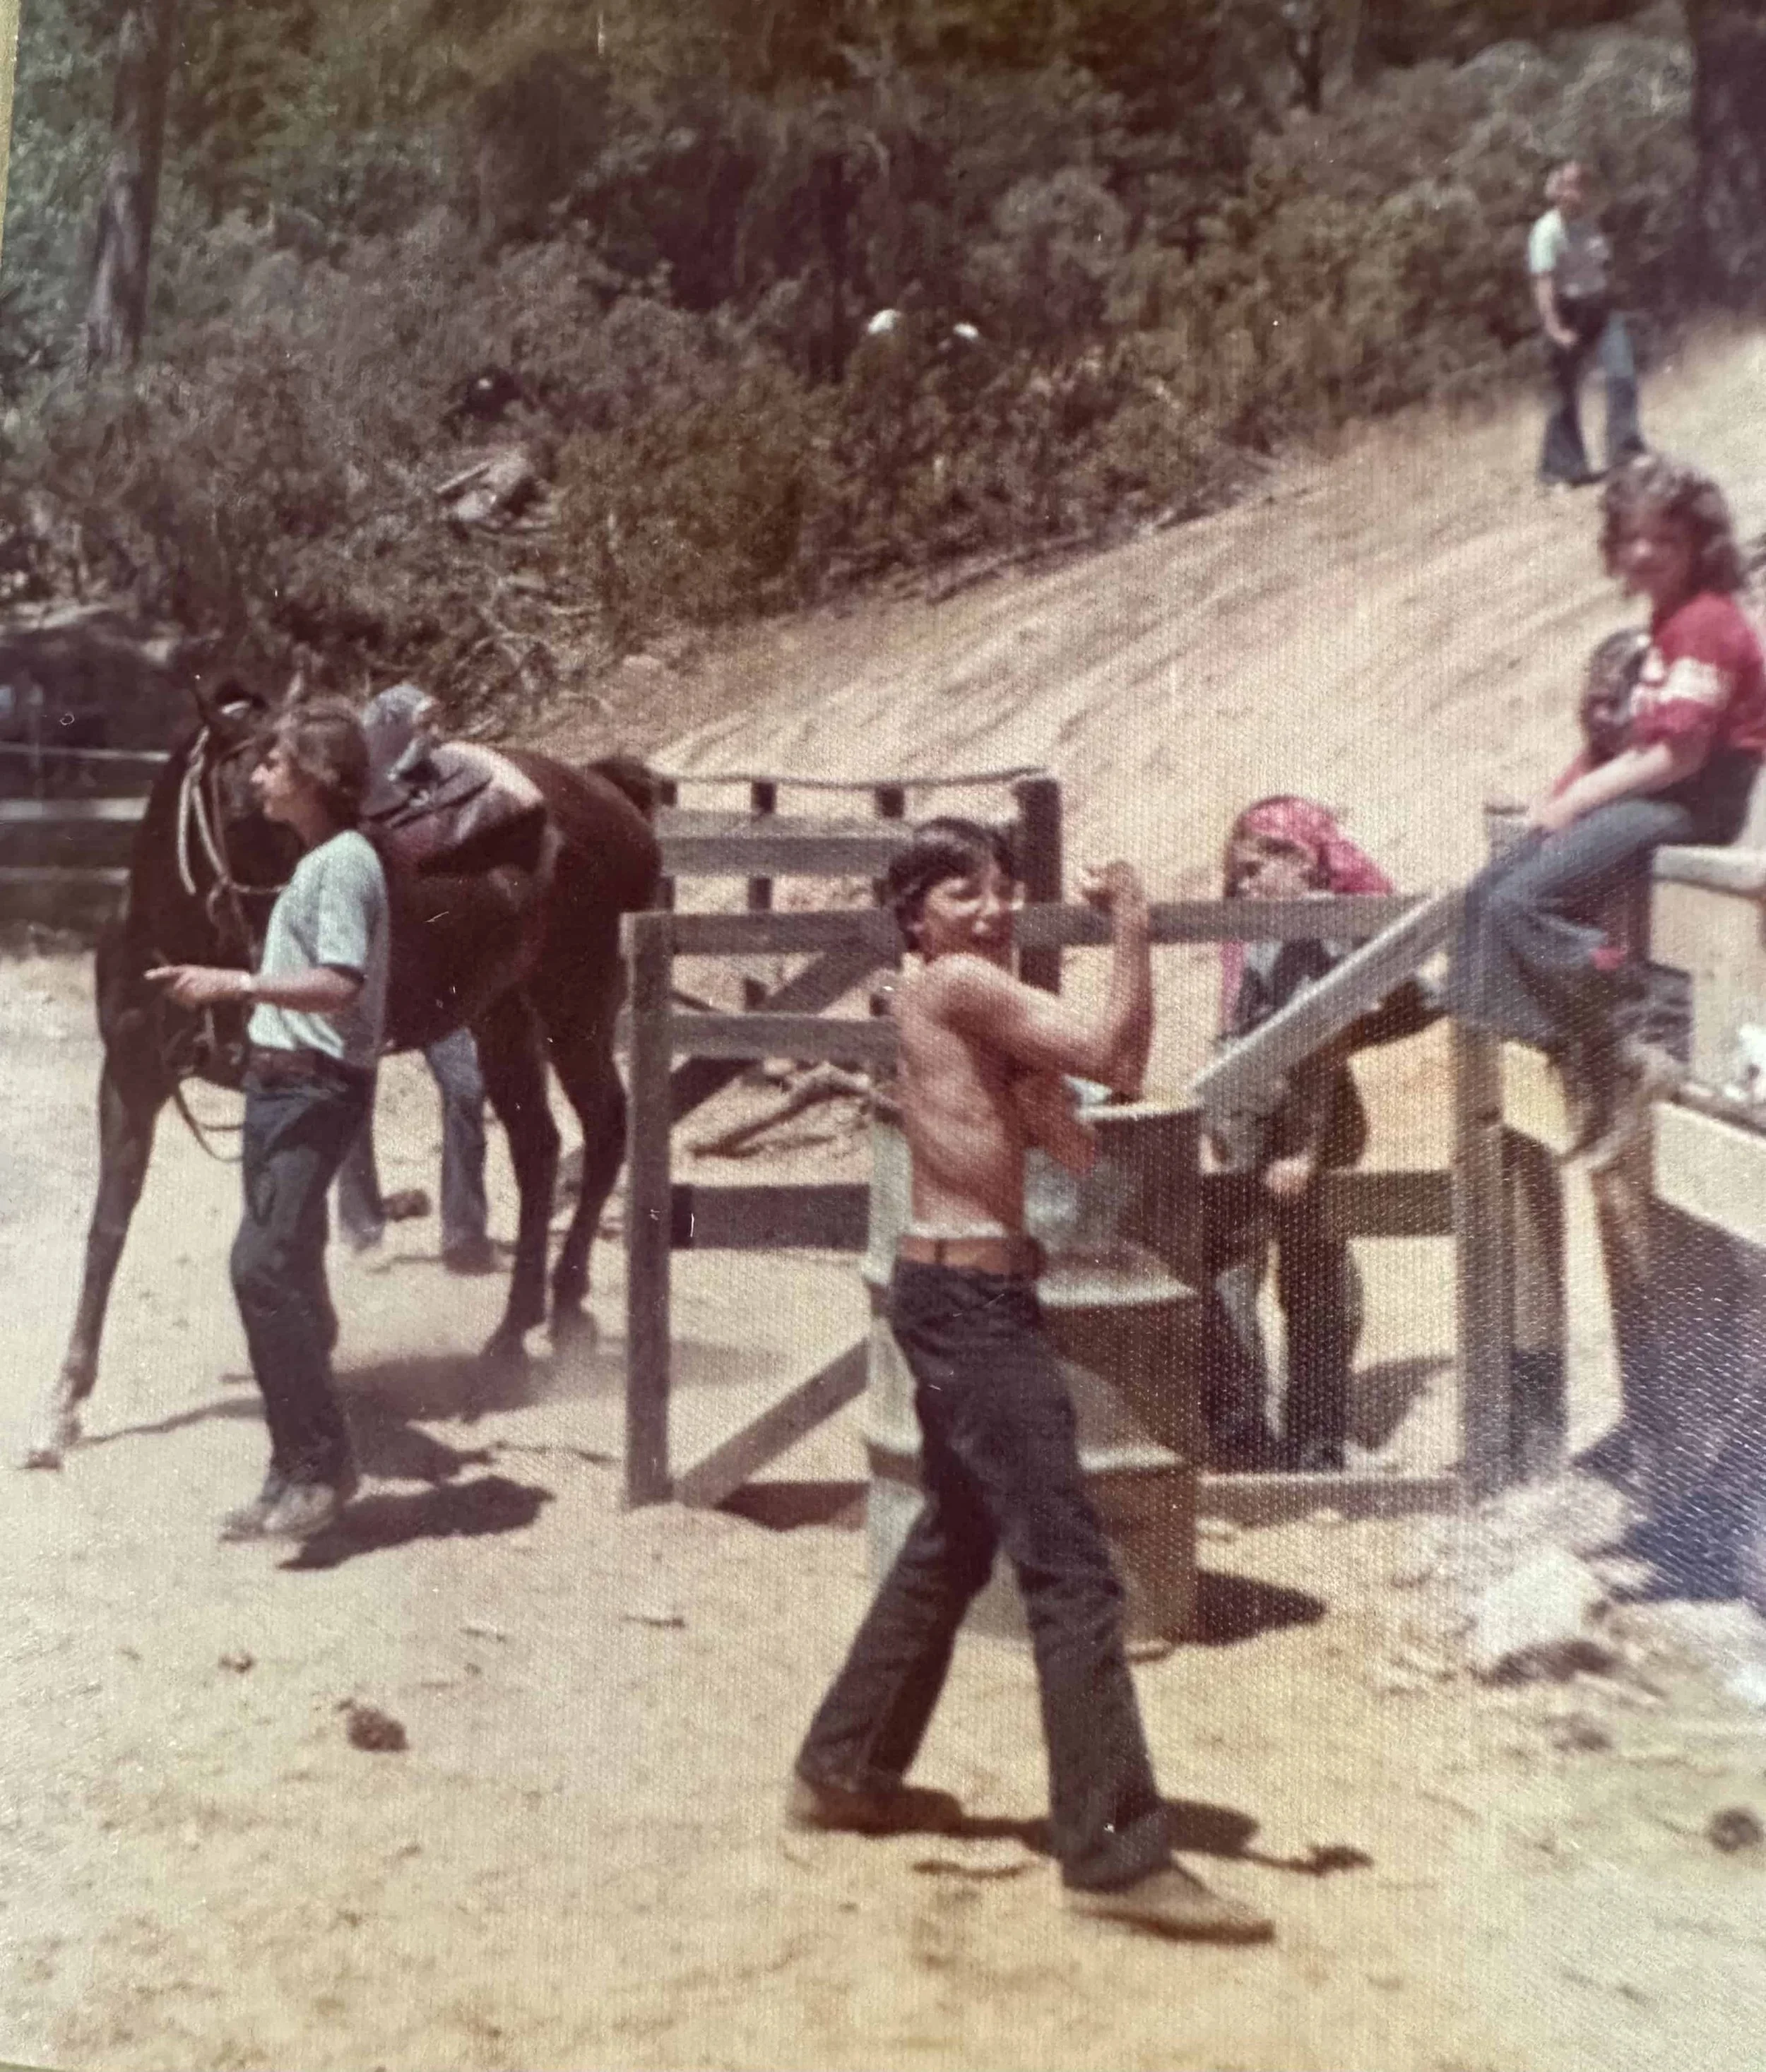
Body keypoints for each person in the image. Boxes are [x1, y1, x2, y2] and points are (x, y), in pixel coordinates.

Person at [788, 817, 1274, 1944]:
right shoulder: (957, 983)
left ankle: (842, 1768)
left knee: (952, 1540)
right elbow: (1117, 1058)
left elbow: (1079, 1143)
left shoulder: (963, 1005)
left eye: (1002, 888)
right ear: (918, 915)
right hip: (970, 1304)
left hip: (965, 1294)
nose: (993, 909)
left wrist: (1027, 1096)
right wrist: (1137, 929)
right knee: (1076, 1576)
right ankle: (1111, 1858)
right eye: (963, 893)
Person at [1445, 453, 1766, 1166]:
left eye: (1666, 540)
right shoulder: (1671, 618)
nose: (1645, 553)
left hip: (1694, 797)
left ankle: (1624, 1026)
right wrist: (1562, 797)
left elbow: (1678, 754)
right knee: (1485, 894)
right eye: (1632, 539)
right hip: (1659, 790)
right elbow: (1630, 742)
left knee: (1520, 905)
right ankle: (1586, 1056)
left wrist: (1581, 801)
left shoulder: (1709, 623)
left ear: (1699, 546)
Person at [148, 698, 389, 1542]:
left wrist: (233, 985)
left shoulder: (345, 864)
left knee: (263, 1267)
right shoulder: (318, 860)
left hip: (315, 1088)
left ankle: (327, 1464)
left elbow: (340, 985)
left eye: (274, 763)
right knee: (264, 1275)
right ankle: (290, 1473)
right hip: (280, 1086)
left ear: (316, 779)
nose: (257, 776)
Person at [1202, 799, 1399, 1474]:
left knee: (1304, 1265)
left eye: (1257, 870)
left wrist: (1303, 1148)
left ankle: (1294, 1437)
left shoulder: (1312, 927)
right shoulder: (1273, 923)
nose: (1245, 887)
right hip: (1256, 1099)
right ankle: (1251, 1429)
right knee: (1241, 1265)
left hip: (1297, 1108)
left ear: (1298, 860)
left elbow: (1318, 1043)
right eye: (1240, 876)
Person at [335, 681, 495, 1273]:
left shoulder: (446, 803)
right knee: (352, 1094)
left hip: (435, 974)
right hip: (371, 974)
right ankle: (360, 1229)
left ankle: (465, 1230)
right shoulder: (355, 814)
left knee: (467, 1089)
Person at [335, 1028, 495, 1273]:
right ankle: (362, 1234)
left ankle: (464, 1237)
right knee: (349, 1094)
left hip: (434, 1005)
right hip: (368, 1002)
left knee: (466, 1088)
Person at [1528, 160, 1645, 491]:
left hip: (1600, 310)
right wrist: (1555, 329)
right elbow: (1543, 284)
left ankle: (1626, 456)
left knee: (1622, 375)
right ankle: (1560, 470)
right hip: (1567, 314)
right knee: (1564, 394)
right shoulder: (1546, 231)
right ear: (1556, 190)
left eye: (1582, 184)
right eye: (1571, 185)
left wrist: (1612, 301)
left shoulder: (1589, 225)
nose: (1578, 191)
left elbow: (1603, 266)